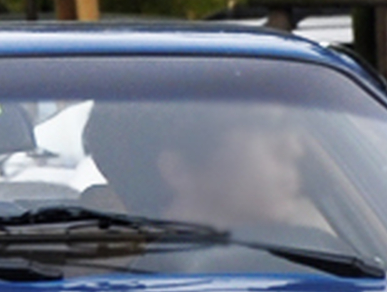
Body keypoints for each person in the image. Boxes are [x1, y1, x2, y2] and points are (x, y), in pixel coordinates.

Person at [81, 99, 329, 235]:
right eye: (265, 127)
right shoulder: (329, 264)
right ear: (178, 170)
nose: (295, 148)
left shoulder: (326, 254)